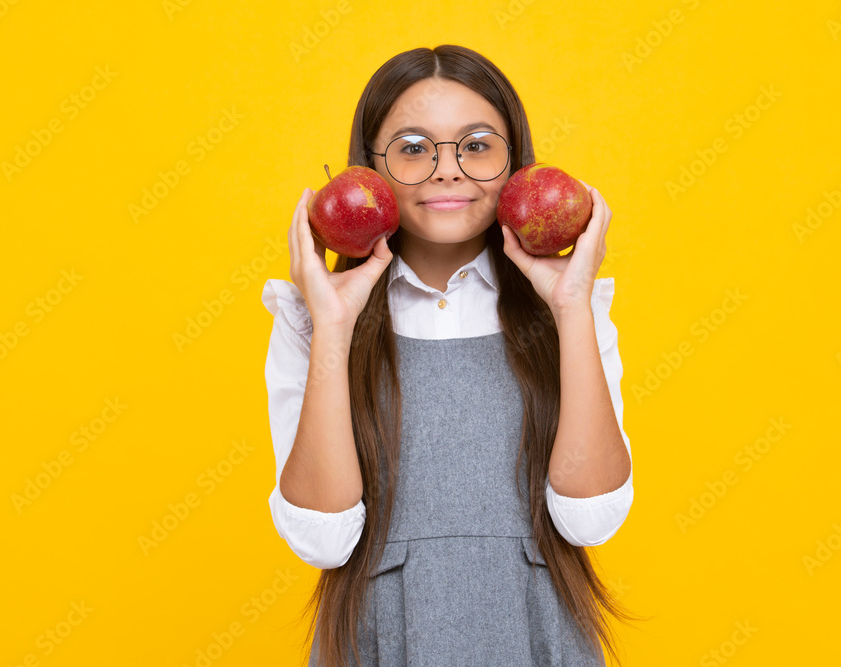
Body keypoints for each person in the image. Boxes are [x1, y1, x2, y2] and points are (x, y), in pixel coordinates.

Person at [262, 44, 640, 667]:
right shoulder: (313, 318)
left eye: (476, 144)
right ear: (370, 169)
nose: (446, 169)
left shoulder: (571, 312)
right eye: (412, 147)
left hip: (538, 634)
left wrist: (570, 307)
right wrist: (333, 323)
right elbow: (323, 537)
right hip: (380, 639)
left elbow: (590, 518)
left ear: (515, 162)